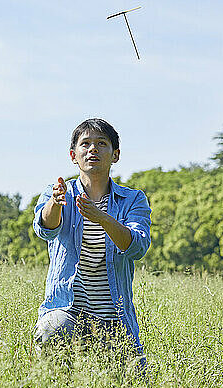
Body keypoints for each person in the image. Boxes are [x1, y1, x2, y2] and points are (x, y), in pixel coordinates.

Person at [32, 118, 151, 368]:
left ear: (115, 154)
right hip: (68, 311)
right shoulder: (58, 192)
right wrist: (55, 202)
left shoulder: (133, 199)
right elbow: (45, 229)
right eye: (85, 144)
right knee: (52, 331)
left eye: (101, 143)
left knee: (138, 382)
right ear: (73, 155)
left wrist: (102, 218)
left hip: (115, 318)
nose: (92, 149)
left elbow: (137, 246)